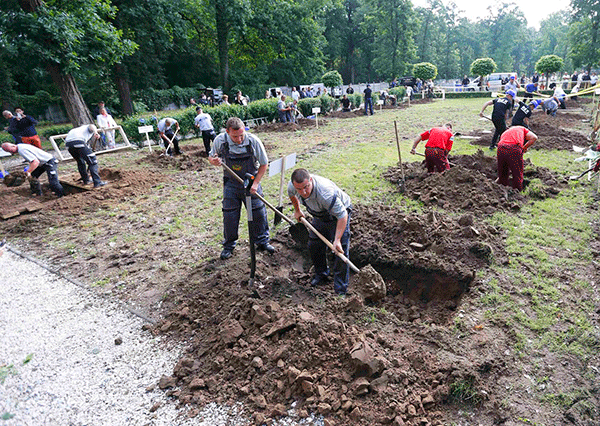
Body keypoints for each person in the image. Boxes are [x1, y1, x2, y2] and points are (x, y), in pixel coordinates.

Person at [208, 117, 274, 260]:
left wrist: (256, 183)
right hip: (231, 183)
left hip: (251, 182)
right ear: (227, 132)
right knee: (230, 215)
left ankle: (262, 241)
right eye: (235, 136)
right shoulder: (220, 141)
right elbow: (211, 157)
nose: (238, 139)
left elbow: (264, 164)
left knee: (258, 212)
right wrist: (214, 161)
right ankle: (229, 246)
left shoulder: (253, 141)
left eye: (241, 135)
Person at [288, 168, 352, 295]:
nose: (303, 192)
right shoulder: (293, 186)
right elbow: (292, 195)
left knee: (340, 252)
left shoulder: (325, 193)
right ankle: (321, 274)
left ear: (311, 180)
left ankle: (340, 290)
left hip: (338, 215)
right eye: (299, 189)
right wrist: (297, 210)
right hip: (320, 214)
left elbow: (342, 215)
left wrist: (337, 239)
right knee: (314, 245)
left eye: (306, 187)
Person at [496, 126, 538, 191]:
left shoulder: (506, 132)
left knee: (502, 172)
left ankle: (501, 190)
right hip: (514, 148)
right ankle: (517, 191)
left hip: (501, 148)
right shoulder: (523, 129)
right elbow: (534, 137)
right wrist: (524, 147)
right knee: (517, 172)